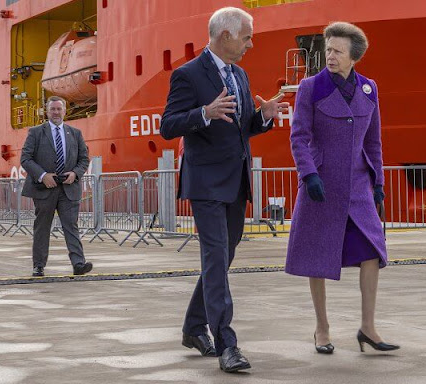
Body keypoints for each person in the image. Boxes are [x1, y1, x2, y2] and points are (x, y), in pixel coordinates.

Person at [160, 7, 288, 373]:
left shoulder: (240, 75)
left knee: (223, 258)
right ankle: (227, 343)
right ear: (226, 35)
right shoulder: (187, 75)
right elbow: (168, 126)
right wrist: (204, 112)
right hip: (206, 183)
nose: (251, 43)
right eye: (247, 36)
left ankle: (192, 326)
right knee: (216, 259)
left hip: (236, 182)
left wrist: (264, 116)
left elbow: (242, 126)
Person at [285, 22, 400, 354]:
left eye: (337, 51)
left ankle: (368, 328)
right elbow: (299, 137)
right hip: (321, 184)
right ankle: (322, 328)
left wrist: (378, 182)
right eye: (328, 49)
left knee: (372, 253)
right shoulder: (311, 87)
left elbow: (374, 141)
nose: (329, 56)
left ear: (354, 57)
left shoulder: (369, 88)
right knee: (318, 254)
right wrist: (308, 175)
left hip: (359, 186)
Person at [20, 96, 92, 277]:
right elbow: (26, 159)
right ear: (47, 111)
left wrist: (75, 173)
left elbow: (84, 159)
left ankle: (78, 264)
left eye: (59, 109)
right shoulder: (36, 132)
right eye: (52, 109)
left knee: (71, 226)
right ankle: (38, 266)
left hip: (68, 189)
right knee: (42, 228)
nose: (56, 112)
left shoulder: (75, 133)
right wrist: (43, 176)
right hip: (44, 189)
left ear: (65, 111)